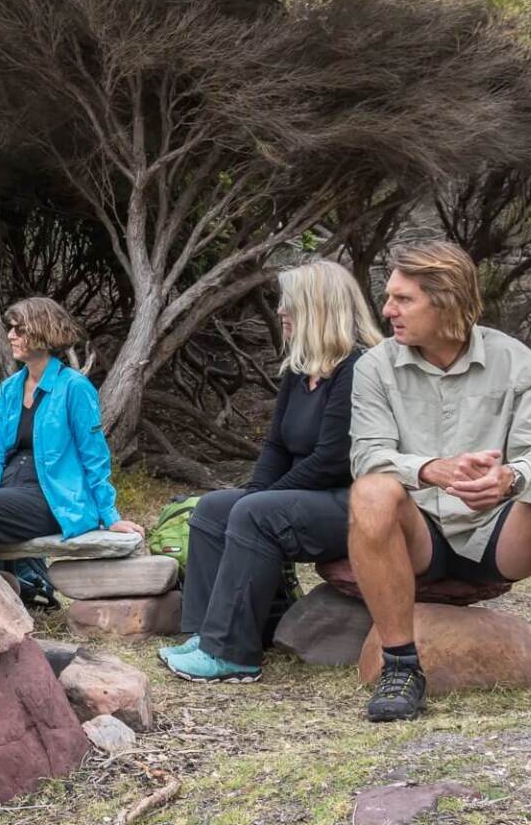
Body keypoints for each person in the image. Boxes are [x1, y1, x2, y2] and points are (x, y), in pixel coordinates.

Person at [348, 242, 531, 722]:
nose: (387, 310)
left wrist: (511, 478)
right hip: (419, 534)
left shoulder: (517, 362)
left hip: (499, 533)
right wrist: (431, 469)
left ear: (446, 299)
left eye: (403, 299)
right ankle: (401, 667)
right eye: (390, 297)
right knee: (371, 490)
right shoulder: (375, 367)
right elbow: (367, 455)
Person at [159, 260, 383, 683]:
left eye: (290, 304)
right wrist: (256, 492)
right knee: (213, 508)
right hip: (303, 496)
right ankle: (208, 634)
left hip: (352, 502)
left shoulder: (357, 369)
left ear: (318, 309)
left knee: (254, 512)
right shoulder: (301, 370)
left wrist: (263, 500)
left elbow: (333, 460)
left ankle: (232, 656)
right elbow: (277, 446)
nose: (280, 311)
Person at [0, 297, 145, 559]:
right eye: (11, 329)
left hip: (53, 499)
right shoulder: (10, 388)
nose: (10, 336)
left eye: (18, 329)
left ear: (42, 331)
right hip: (9, 490)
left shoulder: (74, 387)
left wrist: (110, 515)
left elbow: (95, 457)